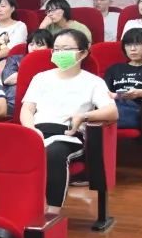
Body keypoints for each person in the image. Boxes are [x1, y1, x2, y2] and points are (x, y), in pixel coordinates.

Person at [19, 29, 117, 213]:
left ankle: (51, 214)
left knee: (54, 154)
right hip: (36, 132)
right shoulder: (40, 78)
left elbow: (112, 112)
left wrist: (84, 116)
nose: (59, 53)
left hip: (68, 135)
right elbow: (27, 109)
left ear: (83, 53)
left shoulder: (94, 82)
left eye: (66, 49)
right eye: (56, 49)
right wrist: (31, 129)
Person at [1, 29, 54, 115]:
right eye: (31, 44)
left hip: (43, 106)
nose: (34, 48)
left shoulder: (54, 62)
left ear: (50, 47)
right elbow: (7, 79)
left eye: (39, 44)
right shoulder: (16, 59)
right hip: (13, 104)